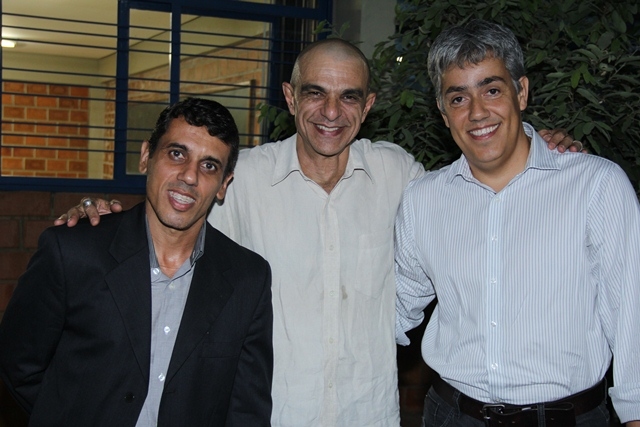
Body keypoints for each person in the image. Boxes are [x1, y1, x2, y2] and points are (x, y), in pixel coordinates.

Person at [55, 39, 580, 426]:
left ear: (368, 106)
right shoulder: (242, 179)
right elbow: (171, 222)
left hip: (368, 415)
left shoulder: (400, 176)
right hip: (266, 415)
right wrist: (102, 217)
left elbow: (477, 192)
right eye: (315, 93)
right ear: (289, 97)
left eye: (349, 97)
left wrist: (537, 147)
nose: (331, 113)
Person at [395, 19, 640, 427]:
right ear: (443, 112)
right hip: (452, 415)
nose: (477, 112)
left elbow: (632, 315)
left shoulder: (596, 185)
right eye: (458, 98)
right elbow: (394, 308)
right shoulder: (423, 200)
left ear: (521, 92)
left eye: (492, 90)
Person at [0, 98, 274, 426]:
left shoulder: (247, 279)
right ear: (146, 156)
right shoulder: (74, 252)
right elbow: (18, 364)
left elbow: (247, 411)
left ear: (223, 185)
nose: (189, 176)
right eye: (177, 154)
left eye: (209, 166)